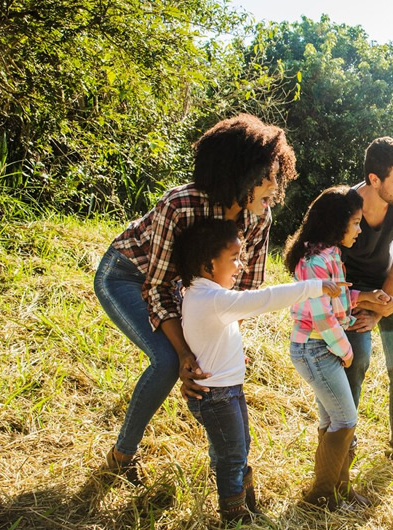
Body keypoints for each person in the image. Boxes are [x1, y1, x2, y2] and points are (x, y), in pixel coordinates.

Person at [93, 114, 296, 483]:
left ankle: (230, 472)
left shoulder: (259, 219)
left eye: (275, 175)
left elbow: (240, 294)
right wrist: (189, 353)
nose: (273, 187)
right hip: (129, 276)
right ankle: (122, 457)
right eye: (264, 177)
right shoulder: (181, 203)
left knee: (207, 368)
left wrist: (219, 347)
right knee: (169, 361)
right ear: (236, 173)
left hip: (183, 290)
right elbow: (157, 288)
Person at [174, 218, 344, 524]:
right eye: (234, 259)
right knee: (232, 454)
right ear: (208, 265)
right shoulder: (212, 298)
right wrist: (314, 286)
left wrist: (235, 358)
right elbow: (264, 299)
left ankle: (245, 505)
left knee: (236, 447)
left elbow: (211, 339)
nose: (239, 266)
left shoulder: (200, 294)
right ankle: (234, 514)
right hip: (217, 396)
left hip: (226, 390)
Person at [284, 186, 393, 510]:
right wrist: (346, 350)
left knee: (332, 420)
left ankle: (339, 490)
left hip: (323, 348)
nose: (360, 230)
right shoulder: (315, 261)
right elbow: (321, 316)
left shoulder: (330, 254)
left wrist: (368, 296)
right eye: (356, 223)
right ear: (337, 223)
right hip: (316, 350)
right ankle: (321, 497)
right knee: (345, 419)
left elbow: (338, 299)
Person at [342, 137, 393, 469]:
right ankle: (344, 447)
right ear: (374, 179)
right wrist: (364, 303)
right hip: (351, 289)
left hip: (391, 283)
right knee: (355, 362)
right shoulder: (344, 205)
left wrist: (382, 305)